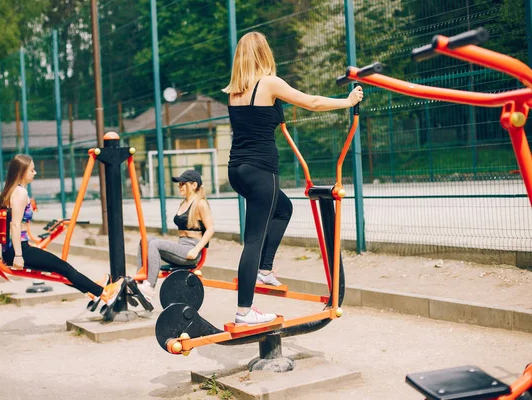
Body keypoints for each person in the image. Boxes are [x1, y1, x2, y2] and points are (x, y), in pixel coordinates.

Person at [223, 31, 363, 325]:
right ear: (265, 54)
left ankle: (264, 269)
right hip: (261, 171)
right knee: (253, 239)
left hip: (237, 170)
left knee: (283, 209)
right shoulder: (269, 83)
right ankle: (244, 311)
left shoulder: (234, 91)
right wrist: (348, 102)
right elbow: (311, 102)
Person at [0, 154, 124, 310]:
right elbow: (14, 225)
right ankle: (104, 292)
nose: (35, 173)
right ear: (21, 172)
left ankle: (94, 291)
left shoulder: (13, 191)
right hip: (20, 250)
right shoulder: (20, 193)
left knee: (60, 271)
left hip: (16, 249)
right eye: (32, 170)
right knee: (64, 268)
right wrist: (17, 255)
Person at [136, 170, 214, 304]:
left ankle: (150, 287)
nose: (180, 187)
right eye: (179, 184)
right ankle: (139, 279)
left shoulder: (200, 203)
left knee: (155, 244)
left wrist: (196, 250)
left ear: (194, 185)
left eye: (183, 184)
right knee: (145, 241)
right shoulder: (183, 203)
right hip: (181, 246)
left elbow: (211, 229)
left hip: (191, 250)